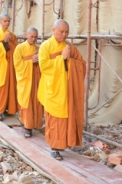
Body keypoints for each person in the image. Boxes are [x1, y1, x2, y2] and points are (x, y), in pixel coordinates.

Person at [38, 19, 86, 160]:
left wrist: (70, 61)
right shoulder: (45, 46)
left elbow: (81, 64)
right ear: (53, 31)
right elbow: (44, 66)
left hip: (66, 89)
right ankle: (54, 147)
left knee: (66, 118)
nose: (64, 35)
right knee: (54, 120)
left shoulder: (69, 47)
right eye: (61, 32)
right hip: (52, 89)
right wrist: (61, 59)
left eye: (66, 32)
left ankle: (64, 143)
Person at [14, 27, 43, 138]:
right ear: (26, 35)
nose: (34, 39)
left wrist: (39, 61)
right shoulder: (19, 48)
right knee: (27, 102)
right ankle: (28, 127)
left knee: (36, 102)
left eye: (36, 37)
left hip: (36, 80)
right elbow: (17, 65)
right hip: (25, 80)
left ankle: (34, 124)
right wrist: (31, 61)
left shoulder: (38, 48)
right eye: (32, 36)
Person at [0, 13, 18, 121]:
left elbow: (16, 49)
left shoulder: (12, 35)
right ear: (0, 22)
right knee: (0, 88)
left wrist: (10, 41)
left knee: (10, 87)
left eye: (8, 21)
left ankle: (8, 108)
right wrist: (4, 43)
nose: (7, 23)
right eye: (4, 21)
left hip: (10, 65)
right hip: (0, 65)